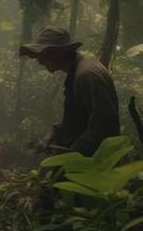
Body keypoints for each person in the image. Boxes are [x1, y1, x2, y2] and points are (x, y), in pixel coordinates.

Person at [20, 26, 120, 156]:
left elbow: (104, 124)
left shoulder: (86, 76)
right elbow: (82, 111)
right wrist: (54, 130)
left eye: (43, 55)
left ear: (60, 52)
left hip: (91, 165)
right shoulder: (82, 67)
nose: (40, 62)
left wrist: (73, 154)